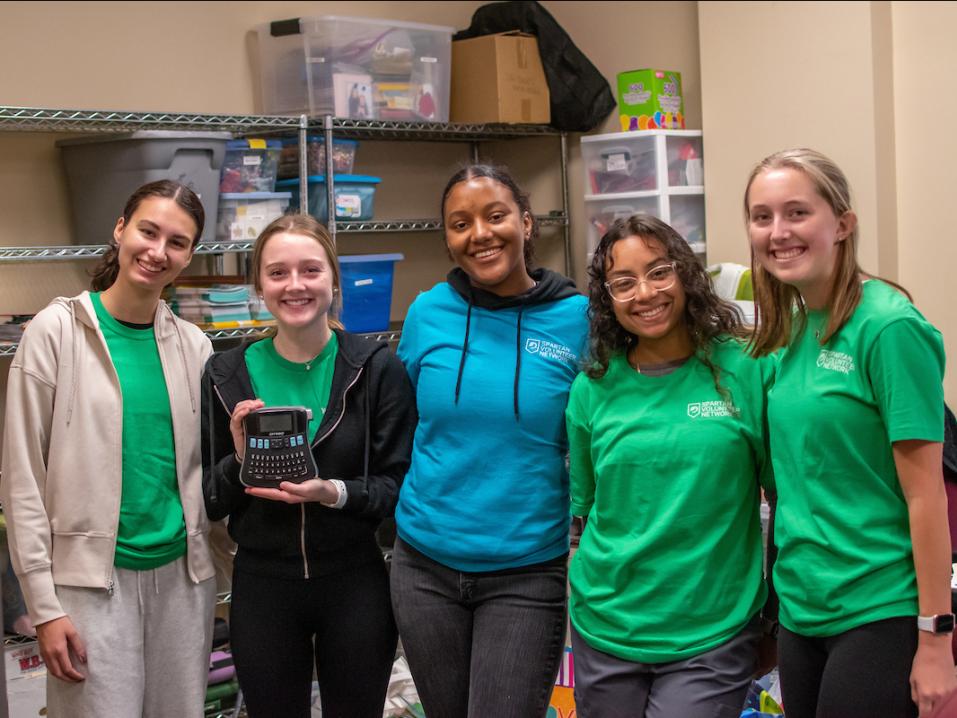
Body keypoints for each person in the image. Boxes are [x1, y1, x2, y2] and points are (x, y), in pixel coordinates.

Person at [744, 148, 956, 717]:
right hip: (801, 607)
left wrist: (936, 639)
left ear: (842, 224)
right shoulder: (781, 329)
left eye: (796, 213)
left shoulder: (889, 328)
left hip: (878, 608)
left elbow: (926, 496)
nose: (778, 232)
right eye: (762, 217)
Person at [0, 180, 216, 716]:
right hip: (90, 587)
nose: (157, 251)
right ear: (120, 230)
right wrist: (44, 609)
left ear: (188, 256)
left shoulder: (196, 347)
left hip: (183, 584)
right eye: (148, 231)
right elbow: (22, 480)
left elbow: (204, 470)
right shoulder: (55, 333)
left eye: (177, 242)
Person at [389, 164, 590, 717]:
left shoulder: (577, 320)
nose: (480, 234)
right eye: (460, 223)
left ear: (527, 224)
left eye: (496, 216)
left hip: (525, 572)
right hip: (423, 568)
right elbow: (395, 421)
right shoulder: (428, 313)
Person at [202, 213, 415, 718]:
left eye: (310, 270)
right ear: (258, 287)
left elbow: (397, 487)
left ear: (334, 281)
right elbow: (211, 498)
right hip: (261, 587)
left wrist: (333, 492)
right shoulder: (225, 372)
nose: (294, 285)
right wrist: (239, 459)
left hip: (355, 583)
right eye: (277, 273)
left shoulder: (375, 368)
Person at [564, 214, 774, 717]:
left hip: (712, 631)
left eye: (659, 272)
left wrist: (775, 618)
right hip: (605, 624)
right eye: (624, 282)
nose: (645, 293)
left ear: (685, 273)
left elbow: (782, 499)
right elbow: (584, 513)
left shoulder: (746, 368)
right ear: (607, 298)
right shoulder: (592, 388)